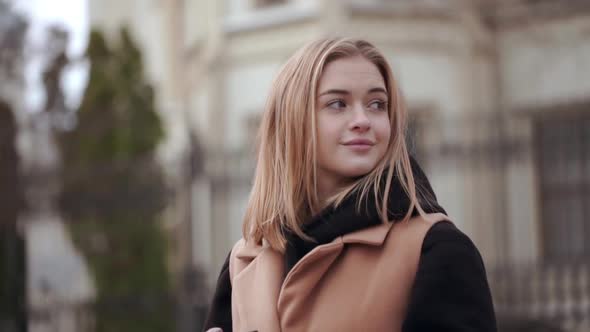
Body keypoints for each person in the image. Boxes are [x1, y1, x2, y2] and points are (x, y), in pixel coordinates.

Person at [203, 37, 497, 332]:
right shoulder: (243, 264)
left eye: (377, 104)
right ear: (291, 121)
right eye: (337, 104)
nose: (362, 120)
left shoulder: (436, 250)